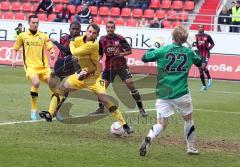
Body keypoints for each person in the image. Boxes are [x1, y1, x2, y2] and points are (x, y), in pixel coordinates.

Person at [39, 23, 134, 134]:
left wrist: (72, 43)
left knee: (105, 100)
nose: (91, 34)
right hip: (80, 75)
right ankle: (50, 114)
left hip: (94, 78)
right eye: (89, 31)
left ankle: (124, 125)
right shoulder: (80, 39)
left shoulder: (93, 45)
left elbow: (74, 51)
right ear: (86, 31)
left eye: (94, 33)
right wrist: (73, 44)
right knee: (60, 89)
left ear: (97, 35)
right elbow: (70, 50)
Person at [139, 25, 206, 156]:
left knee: (161, 123)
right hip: (181, 93)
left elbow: (144, 57)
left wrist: (156, 44)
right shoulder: (188, 52)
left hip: (163, 93)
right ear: (185, 39)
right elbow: (201, 64)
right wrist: (193, 46)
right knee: (188, 119)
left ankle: (149, 138)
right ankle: (191, 148)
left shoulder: (163, 50)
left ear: (172, 36)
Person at [94, 21, 147, 117]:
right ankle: (101, 108)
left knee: (130, 84)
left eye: (112, 27)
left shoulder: (120, 38)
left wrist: (121, 54)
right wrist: (97, 60)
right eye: (108, 27)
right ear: (106, 28)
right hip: (109, 68)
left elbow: (129, 51)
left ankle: (141, 109)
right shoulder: (102, 40)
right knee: (100, 88)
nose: (110, 29)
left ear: (114, 28)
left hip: (121, 67)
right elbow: (101, 54)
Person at [12, 15, 56, 120]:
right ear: (29, 23)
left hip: (44, 67)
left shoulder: (43, 35)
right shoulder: (22, 36)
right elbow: (15, 48)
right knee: (36, 83)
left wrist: (53, 53)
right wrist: (14, 59)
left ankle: (54, 110)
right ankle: (33, 109)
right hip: (31, 66)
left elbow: (50, 47)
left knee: (53, 84)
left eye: (37, 23)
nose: (35, 24)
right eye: (33, 22)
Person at [195, 24, 215, 91]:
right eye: (199, 27)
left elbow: (212, 44)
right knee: (200, 70)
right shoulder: (196, 36)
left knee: (203, 67)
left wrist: (209, 48)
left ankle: (209, 78)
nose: (200, 28)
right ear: (198, 28)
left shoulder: (207, 36)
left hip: (206, 54)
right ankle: (204, 85)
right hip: (199, 54)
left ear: (203, 28)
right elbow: (195, 45)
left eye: (201, 27)